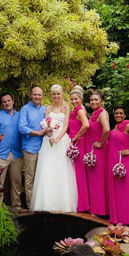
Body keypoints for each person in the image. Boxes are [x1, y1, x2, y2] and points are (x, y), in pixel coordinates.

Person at [30, 84, 77, 212]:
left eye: (58, 94)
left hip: (61, 140)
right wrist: (49, 131)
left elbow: (66, 126)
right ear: (51, 95)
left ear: (62, 94)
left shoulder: (66, 107)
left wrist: (57, 138)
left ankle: (63, 204)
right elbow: (46, 123)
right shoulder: (48, 108)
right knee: (47, 170)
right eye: (54, 94)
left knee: (61, 171)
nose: (56, 96)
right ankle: (45, 203)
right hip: (49, 141)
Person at [0, 92, 22, 206]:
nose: (7, 103)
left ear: (13, 101)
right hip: (1, 154)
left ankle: (16, 207)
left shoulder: (20, 115)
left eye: (9, 101)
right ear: (2, 103)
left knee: (16, 182)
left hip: (17, 154)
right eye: (4, 101)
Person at [18, 86, 46, 211]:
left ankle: (41, 203)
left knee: (42, 177)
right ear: (30, 95)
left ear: (43, 96)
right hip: (30, 148)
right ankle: (31, 205)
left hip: (45, 149)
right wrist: (37, 133)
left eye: (39, 95)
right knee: (30, 177)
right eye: (35, 94)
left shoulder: (45, 109)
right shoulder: (25, 109)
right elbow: (22, 127)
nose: (37, 97)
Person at [84, 90, 110, 217]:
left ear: (101, 101)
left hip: (101, 150)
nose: (93, 102)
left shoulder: (103, 113)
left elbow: (107, 129)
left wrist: (101, 143)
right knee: (95, 180)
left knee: (99, 180)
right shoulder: (95, 112)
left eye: (96, 100)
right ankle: (97, 208)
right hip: (94, 150)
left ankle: (100, 210)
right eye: (92, 100)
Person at [68, 86, 90, 212]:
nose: (74, 101)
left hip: (78, 144)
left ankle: (83, 205)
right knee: (77, 174)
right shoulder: (75, 110)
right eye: (72, 99)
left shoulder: (80, 110)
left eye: (76, 99)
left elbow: (86, 125)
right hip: (75, 143)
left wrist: (75, 137)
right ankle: (79, 202)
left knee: (80, 174)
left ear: (81, 98)